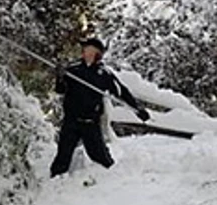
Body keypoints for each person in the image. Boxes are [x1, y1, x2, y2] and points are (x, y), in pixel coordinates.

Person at [50, 37, 150, 178]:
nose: (87, 53)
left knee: (100, 156)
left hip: (91, 123)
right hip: (71, 121)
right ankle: (55, 181)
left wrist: (138, 110)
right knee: (63, 156)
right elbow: (60, 90)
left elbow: (121, 92)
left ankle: (112, 180)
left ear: (98, 54)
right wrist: (60, 77)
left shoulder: (104, 74)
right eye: (85, 50)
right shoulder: (73, 70)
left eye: (91, 50)